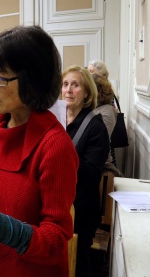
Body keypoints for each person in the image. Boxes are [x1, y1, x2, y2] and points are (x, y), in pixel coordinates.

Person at [0, 25, 79, 276]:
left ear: (34, 81)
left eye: (0, 78)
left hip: (27, 269)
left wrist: (3, 229)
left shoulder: (54, 145)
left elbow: (56, 239)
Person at [62, 66, 109, 277]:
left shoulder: (95, 127)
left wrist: (64, 151)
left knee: (77, 263)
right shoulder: (57, 119)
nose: (69, 90)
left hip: (80, 210)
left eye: (75, 85)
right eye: (65, 84)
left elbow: (90, 177)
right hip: (57, 202)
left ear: (87, 92)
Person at [92, 74, 120, 173]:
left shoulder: (107, 111)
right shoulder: (92, 108)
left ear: (98, 91)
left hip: (102, 167)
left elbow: (98, 141)